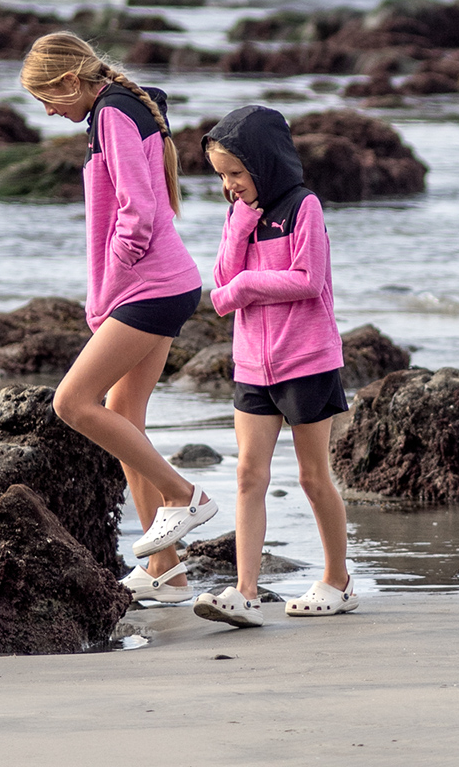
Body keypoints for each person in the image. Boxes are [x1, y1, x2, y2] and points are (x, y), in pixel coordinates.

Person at [20, 31, 217, 604]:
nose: (50, 112)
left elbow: (139, 208)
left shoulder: (110, 114)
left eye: (47, 99)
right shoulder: (117, 110)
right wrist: (105, 292)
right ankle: (167, 570)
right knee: (122, 413)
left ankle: (185, 495)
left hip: (151, 287)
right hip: (161, 284)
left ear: (69, 81)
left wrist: (118, 270)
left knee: (70, 403)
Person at [192, 105, 357, 628]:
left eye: (236, 173)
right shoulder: (238, 211)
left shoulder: (302, 205)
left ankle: (338, 580)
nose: (229, 184)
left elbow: (307, 278)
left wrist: (243, 289)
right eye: (222, 175)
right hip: (251, 366)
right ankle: (244, 592)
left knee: (312, 477)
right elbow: (221, 275)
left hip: (306, 360)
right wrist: (240, 221)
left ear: (263, 163)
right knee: (247, 474)